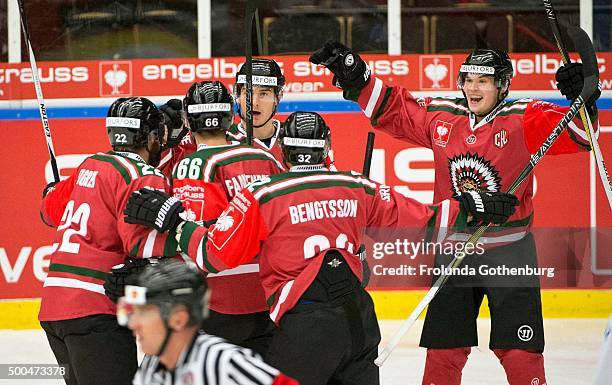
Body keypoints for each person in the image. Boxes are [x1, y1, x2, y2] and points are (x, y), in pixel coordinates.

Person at [123, 111, 519, 385]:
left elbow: (215, 254)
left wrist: (174, 221)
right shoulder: (355, 185)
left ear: (286, 152)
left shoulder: (262, 194)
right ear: (324, 146)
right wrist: (475, 207)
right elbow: (427, 219)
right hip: (360, 322)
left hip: (307, 326)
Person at [309, 41, 600, 385]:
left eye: (484, 80)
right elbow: (395, 109)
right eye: (469, 79)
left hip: (511, 250)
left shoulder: (525, 117)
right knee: (444, 349)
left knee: (521, 350)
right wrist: (358, 77)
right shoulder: (444, 115)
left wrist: (584, 101)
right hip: (455, 250)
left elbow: (582, 137)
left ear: (503, 85)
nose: (474, 88)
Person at [38, 97, 182, 385]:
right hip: (95, 308)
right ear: (152, 136)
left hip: (55, 306)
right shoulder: (142, 175)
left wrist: (52, 190)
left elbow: (48, 211)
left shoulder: (90, 165)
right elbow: (143, 248)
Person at [173, 80, 285, 355]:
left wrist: (171, 224)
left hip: (219, 301)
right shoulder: (265, 157)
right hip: (270, 297)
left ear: (188, 119)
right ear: (230, 115)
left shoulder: (196, 164)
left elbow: (203, 248)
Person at [122, 259, 298, 385]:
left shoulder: (222, 360)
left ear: (178, 318)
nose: (133, 324)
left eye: (144, 315)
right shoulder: (151, 367)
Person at [228, 58, 337, 170]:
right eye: (248, 93)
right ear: (238, 96)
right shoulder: (224, 140)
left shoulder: (299, 135)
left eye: (264, 94)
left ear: (278, 97)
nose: (254, 103)